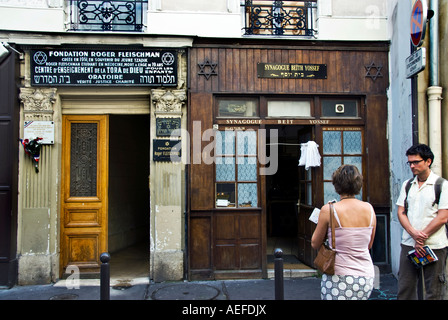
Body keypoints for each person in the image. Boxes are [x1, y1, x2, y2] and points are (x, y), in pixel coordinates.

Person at [312, 164, 377, 300]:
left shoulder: (329, 209)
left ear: (336, 185)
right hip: (366, 275)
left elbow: (314, 243)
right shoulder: (369, 209)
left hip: (339, 275)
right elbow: (369, 244)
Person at [396, 144, 448, 300]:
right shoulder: (407, 185)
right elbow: (401, 212)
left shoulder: (441, 185)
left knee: (434, 289)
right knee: (406, 287)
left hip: (433, 245)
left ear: (428, 161)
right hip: (409, 244)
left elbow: (443, 216)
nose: (412, 166)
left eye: (416, 162)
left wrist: (422, 236)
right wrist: (414, 234)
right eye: (410, 162)